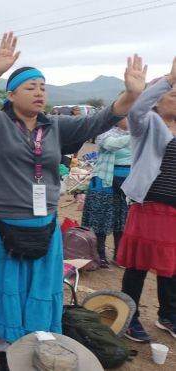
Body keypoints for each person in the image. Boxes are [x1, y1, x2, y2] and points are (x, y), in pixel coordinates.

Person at [0, 32, 146, 371]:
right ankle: (1, 350)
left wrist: (131, 94)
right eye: (31, 86)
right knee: (4, 289)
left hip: (43, 225)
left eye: (43, 86)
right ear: (11, 94)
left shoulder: (56, 127)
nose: (39, 92)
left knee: (35, 290)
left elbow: (100, 119)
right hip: (0, 224)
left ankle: (34, 341)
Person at [117, 58, 176, 343]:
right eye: (173, 94)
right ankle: (129, 316)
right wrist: (168, 79)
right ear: (158, 100)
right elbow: (136, 108)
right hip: (150, 206)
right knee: (138, 265)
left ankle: (168, 315)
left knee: (172, 266)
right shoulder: (147, 123)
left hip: (175, 212)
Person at [81, 119, 131, 267]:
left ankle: (119, 256)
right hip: (105, 182)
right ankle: (100, 255)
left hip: (128, 183)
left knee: (122, 220)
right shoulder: (105, 133)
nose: (130, 120)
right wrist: (137, 135)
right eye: (126, 116)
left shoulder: (137, 135)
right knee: (100, 220)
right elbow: (111, 145)